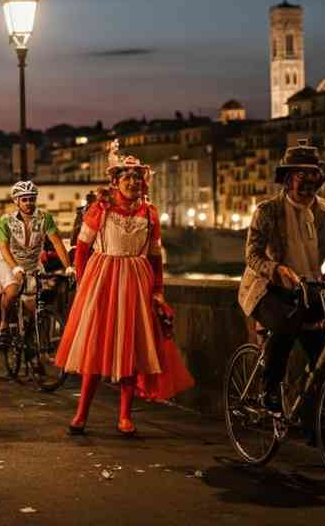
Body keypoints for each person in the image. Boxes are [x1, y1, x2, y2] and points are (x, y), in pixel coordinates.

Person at [56, 144, 193, 436]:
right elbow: (81, 249)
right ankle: (81, 414)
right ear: (116, 181)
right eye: (126, 177)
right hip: (103, 281)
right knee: (94, 348)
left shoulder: (150, 213)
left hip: (137, 282)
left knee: (131, 349)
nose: (132, 182)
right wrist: (83, 284)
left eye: (136, 177)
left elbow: (155, 257)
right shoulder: (100, 208)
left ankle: (124, 417)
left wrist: (158, 291)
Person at [238, 140, 325, 414]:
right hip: (266, 289)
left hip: (308, 288)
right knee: (285, 323)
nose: (308, 183)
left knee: (324, 356)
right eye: (301, 176)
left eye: (313, 175)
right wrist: (276, 270)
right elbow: (252, 255)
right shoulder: (267, 211)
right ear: (289, 179)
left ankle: (315, 423)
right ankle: (268, 391)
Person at [0, 181, 72, 334]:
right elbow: (3, 247)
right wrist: (15, 268)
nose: (29, 203)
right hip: (9, 261)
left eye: (32, 199)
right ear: (16, 201)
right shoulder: (6, 220)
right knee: (12, 292)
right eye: (24, 199)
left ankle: (36, 344)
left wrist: (68, 266)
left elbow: (57, 243)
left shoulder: (45, 218)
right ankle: (4, 321)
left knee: (35, 305)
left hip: (33, 263)